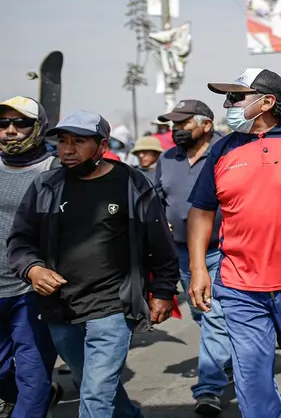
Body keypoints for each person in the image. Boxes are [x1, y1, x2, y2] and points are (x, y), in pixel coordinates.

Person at [8, 110, 179, 418]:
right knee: (91, 382)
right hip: (60, 307)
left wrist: (164, 291)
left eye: (79, 141)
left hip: (113, 305)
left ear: (102, 146)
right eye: (62, 141)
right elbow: (20, 241)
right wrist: (33, 268)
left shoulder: (130, 182)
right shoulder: (45, 186)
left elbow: (159, 242)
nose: (67, 149)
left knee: (95, 393)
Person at [186, 68, 281, 418]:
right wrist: (197, 269)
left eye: (235, 97)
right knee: (250, 374)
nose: (227, 104)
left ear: (267, 102)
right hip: (239, 283)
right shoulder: (222, 149)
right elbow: (202, 211)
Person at [154, 100, 232, 416]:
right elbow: (157, 199)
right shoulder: (166, 159)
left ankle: (209, 388)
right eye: (173, 124)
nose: (176, 130)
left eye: (183, 123)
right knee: (202, 315)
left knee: (214, 317)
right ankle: (224, 359)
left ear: (206, 125)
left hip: (221, 252)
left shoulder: (226, 152)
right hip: (182, 254)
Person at [0, 97, 59, 418]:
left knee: (32, 375)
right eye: (3, 124)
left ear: (38, 128)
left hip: (32, 291)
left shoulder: (56, 172)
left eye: (20, 123)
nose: (10, 131)